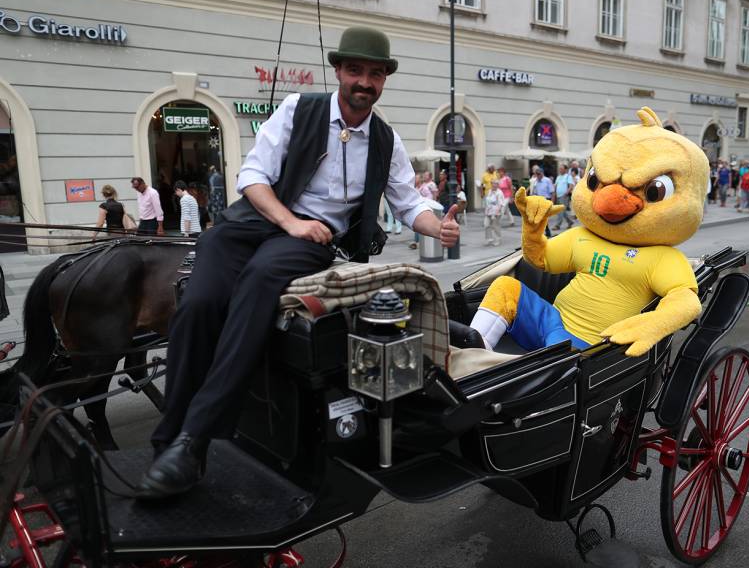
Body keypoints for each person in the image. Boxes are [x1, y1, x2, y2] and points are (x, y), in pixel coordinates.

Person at [137, 26, 460, 499]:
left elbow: (409, 203)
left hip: (311, 237)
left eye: (374, 73)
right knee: (200, 302)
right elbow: (252, 177)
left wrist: (439, 227)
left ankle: (193, 440)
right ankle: (169, 438)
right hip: (255, 223)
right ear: (339, 72)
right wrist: (288, 220)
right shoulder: (298, 109)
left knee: (258, 284)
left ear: (384, 80)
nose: (363, 82)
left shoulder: (386, 141)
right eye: (355, 71)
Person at [552, 162, 575, 230]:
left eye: (561, 169)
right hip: (558, 196)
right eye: (560, 169)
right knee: (562, 210)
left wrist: (566, 193)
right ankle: (570, 222)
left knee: (560, 210)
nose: (560, 170)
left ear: (565, 170)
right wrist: (554, 194)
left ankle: (557, 225)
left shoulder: (568, 176)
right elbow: (555, 186)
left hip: (564, 196)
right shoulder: (558, 177)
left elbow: (571, 186)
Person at [483, 179, 505, 246]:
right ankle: (489, 239)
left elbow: (501, 204)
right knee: (486, 225)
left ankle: (498, 239)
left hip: (496, 212)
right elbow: (487, 201)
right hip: (488, 211)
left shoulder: (499, 193)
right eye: (492, 183)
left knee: (495, 226)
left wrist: (496, 213)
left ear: (497, 185)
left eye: (495, 184)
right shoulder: (490, 191)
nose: (493, 185)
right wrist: (486, 209)